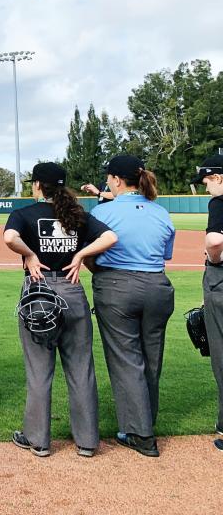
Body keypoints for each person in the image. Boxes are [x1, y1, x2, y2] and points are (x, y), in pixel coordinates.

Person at [2, 162, 117, 457]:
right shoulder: (78, 215)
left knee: (40, 370)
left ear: (38, 185)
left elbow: (9, 238)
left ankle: (38, 440)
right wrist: (80, 254)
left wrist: (29, 254)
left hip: (39, 291)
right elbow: (110, 237)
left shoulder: (24, 214)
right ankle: (87, 442)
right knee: (81, 369)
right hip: (73, 290)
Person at [89, 154, 175, 457]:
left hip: (117, 286)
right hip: (158, 287)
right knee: (151, 360)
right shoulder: (161, 212)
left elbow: (89, 253)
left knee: (127, 359)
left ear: (114, 180)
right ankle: (144, 422)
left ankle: (140, 433)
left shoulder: (104, 211)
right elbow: (166, 255)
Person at [190, 154, 223, 450]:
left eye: (207, 179)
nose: (205, 185)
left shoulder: (219, 202)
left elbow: (214, 241)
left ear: (220, 178)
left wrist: (215, 261)